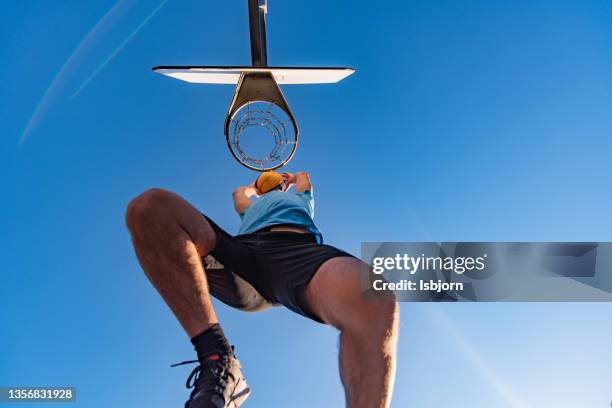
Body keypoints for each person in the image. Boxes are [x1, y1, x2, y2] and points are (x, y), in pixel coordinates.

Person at [125, 171, 399, 408]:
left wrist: (290, 180)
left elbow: (305, 178)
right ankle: (217, 359)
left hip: (296, 252)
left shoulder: (301, 198)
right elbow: (238, 194)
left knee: (371, 293)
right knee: (149, 208)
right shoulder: (251, 207)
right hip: (244, 255)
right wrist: (254, 188)